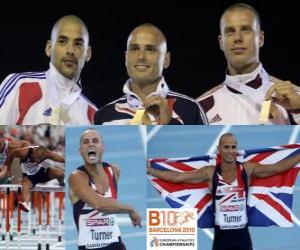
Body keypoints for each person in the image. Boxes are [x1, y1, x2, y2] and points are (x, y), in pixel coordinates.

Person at [147, 133, 300, 250]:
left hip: (242, 235)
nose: (230, 151)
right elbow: (179, 177)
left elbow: (278, 168)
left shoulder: (247, 169)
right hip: (221, 236)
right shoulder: (210, 172)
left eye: (233, 147)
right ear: (219, 149)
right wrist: (152, 171)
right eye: (226, 147)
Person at [197, 3, 300, 125]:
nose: (237, 38)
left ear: (260, 38)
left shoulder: (295, 96)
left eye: (245, 30)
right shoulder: (200, 107)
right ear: (221, 42)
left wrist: (297, 111)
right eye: (230, 32)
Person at [94, 23, 208, 125]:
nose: (141, 57)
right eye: (134, 49)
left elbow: (208, 149)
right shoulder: (103, 116)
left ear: (166, 60)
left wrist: (170, 125)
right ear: (126, 58)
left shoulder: (190, 110)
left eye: (150, 50)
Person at [0, 15, 97, 125]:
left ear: (88, 53)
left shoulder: (93, 114)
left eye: (78, 44)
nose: (70, 50)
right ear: (49, 48)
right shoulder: (19, 84)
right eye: (62, 41)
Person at [69, 129, 142, 250]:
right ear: (80, 151)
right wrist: (130, 209)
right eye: (86, 142)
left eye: (95, 141)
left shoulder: (114, 170)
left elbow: (109, 203)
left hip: (115, 242)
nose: (91, 144)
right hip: (90, 246)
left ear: (103, 148)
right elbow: (98, 204)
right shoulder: (77, 177)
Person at [6, 145, 65, 212]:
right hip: (29, 177)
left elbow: (63, 160)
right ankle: (25, 204)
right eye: (37, 157)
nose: (37, 160)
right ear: (34, 152)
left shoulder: (48, 154)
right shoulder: (23, 152)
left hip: (41, 172)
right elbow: (11, 153)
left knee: (60, 173)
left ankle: (61, 182)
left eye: (40, 158)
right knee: (25, 183)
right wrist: (8, 169)